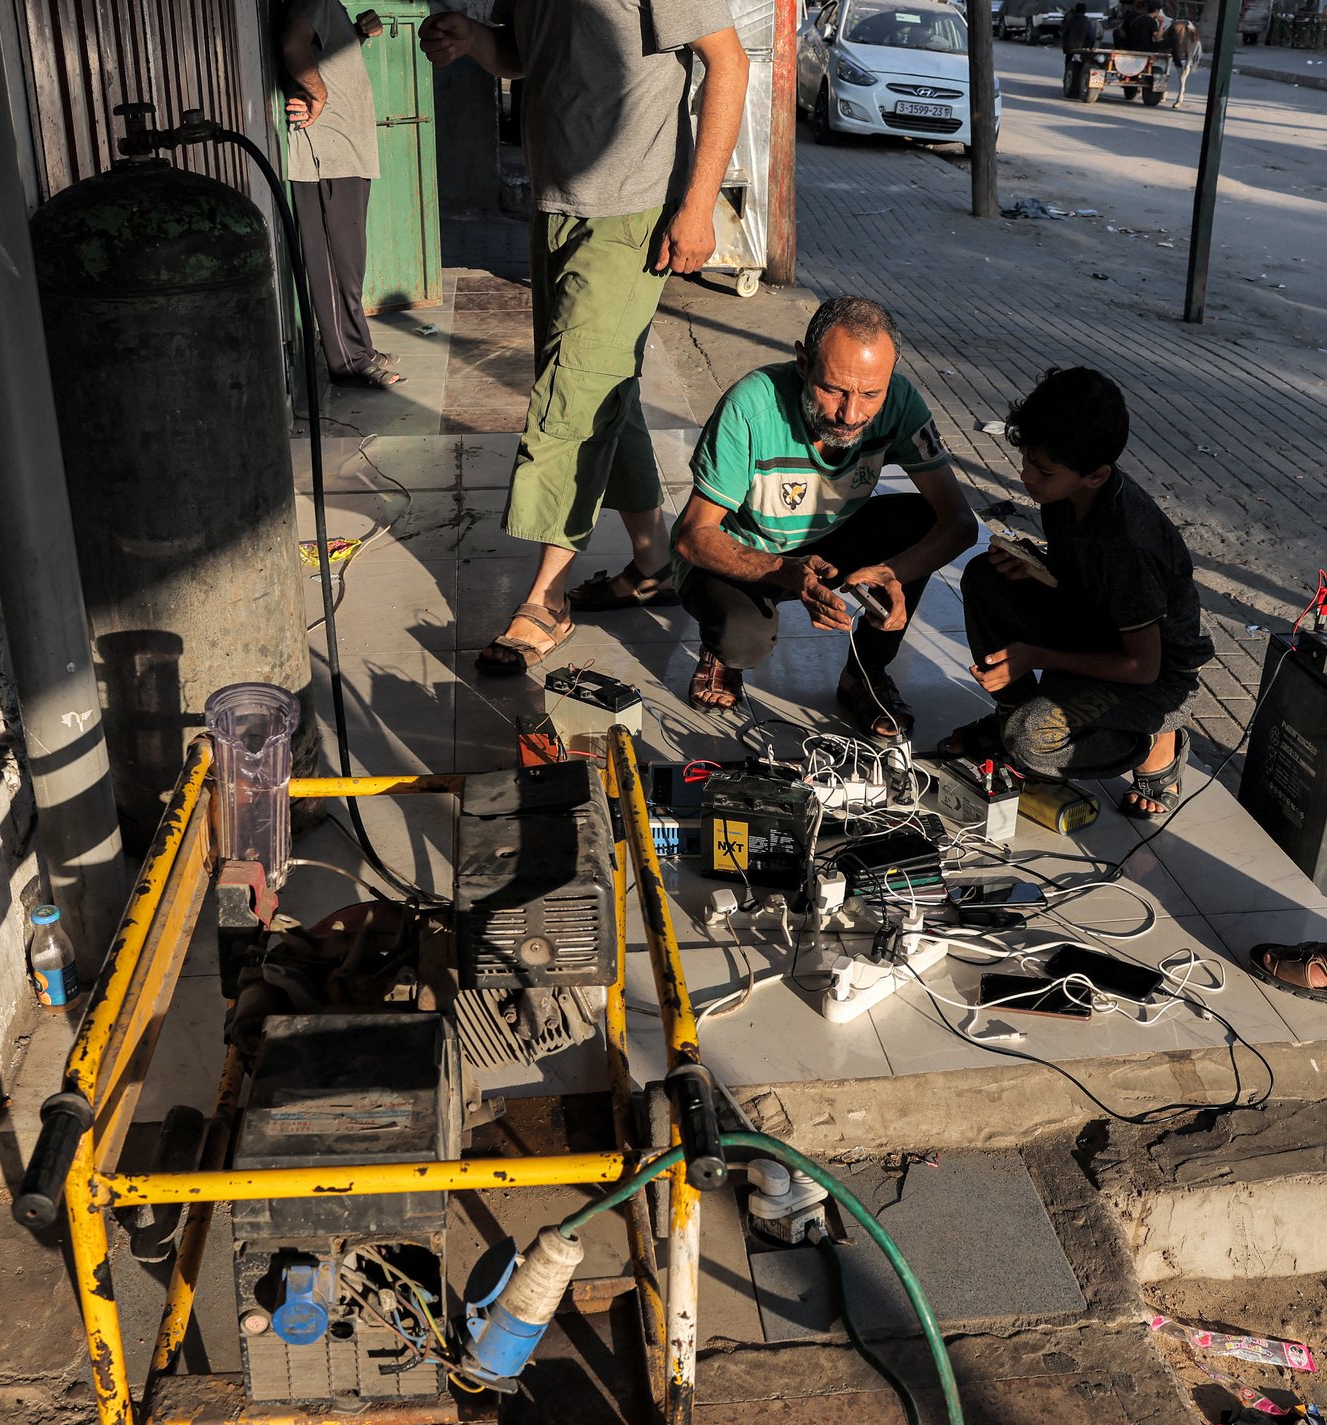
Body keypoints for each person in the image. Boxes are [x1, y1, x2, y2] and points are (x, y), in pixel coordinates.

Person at [419, 1, 749, 676]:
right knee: (603, 386)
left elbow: (729, 64)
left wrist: (698, 202)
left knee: (570, 394)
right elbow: (523, 54)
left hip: (632, 209)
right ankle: (654, 562)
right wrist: (475, 38)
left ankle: (545, 598)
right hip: (555, 201)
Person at [670, 296, 977, 739]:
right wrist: (785, 571)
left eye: (871, 393)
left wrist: (894, 572)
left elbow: (959, 524)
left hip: (826, 543)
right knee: (743, 639)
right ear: (802, 363)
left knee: (920, 521)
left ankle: (864, 675)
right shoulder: (750, 406)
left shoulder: (902, 402)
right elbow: (692, 536)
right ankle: (720, 651)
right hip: (740, 551)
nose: (851, 415)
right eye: (833, 389)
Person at [941, 367, 1214, 819]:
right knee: (985, 575)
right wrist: (1036, 568)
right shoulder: (1067, 495)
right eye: (1026, 458)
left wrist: (1036, 656)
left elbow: (1143, 666)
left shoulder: (1128, 544)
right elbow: (1084, 580)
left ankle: (1154, 742)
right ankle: (1010, 713)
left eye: (1042, 469)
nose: (1026, 475)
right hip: (1097, 630)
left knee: (1031, 740)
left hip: (1157, 679)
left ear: (1096, 474)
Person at [281, 1, 405, 389]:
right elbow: (292, 46)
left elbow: (319, 54)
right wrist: (316, 94)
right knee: (334, 267)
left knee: (349, 268)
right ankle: (346, 363)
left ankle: (359, 349)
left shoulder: (327, 5)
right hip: (328, 156)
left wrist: (357, 34)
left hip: (347, 154)